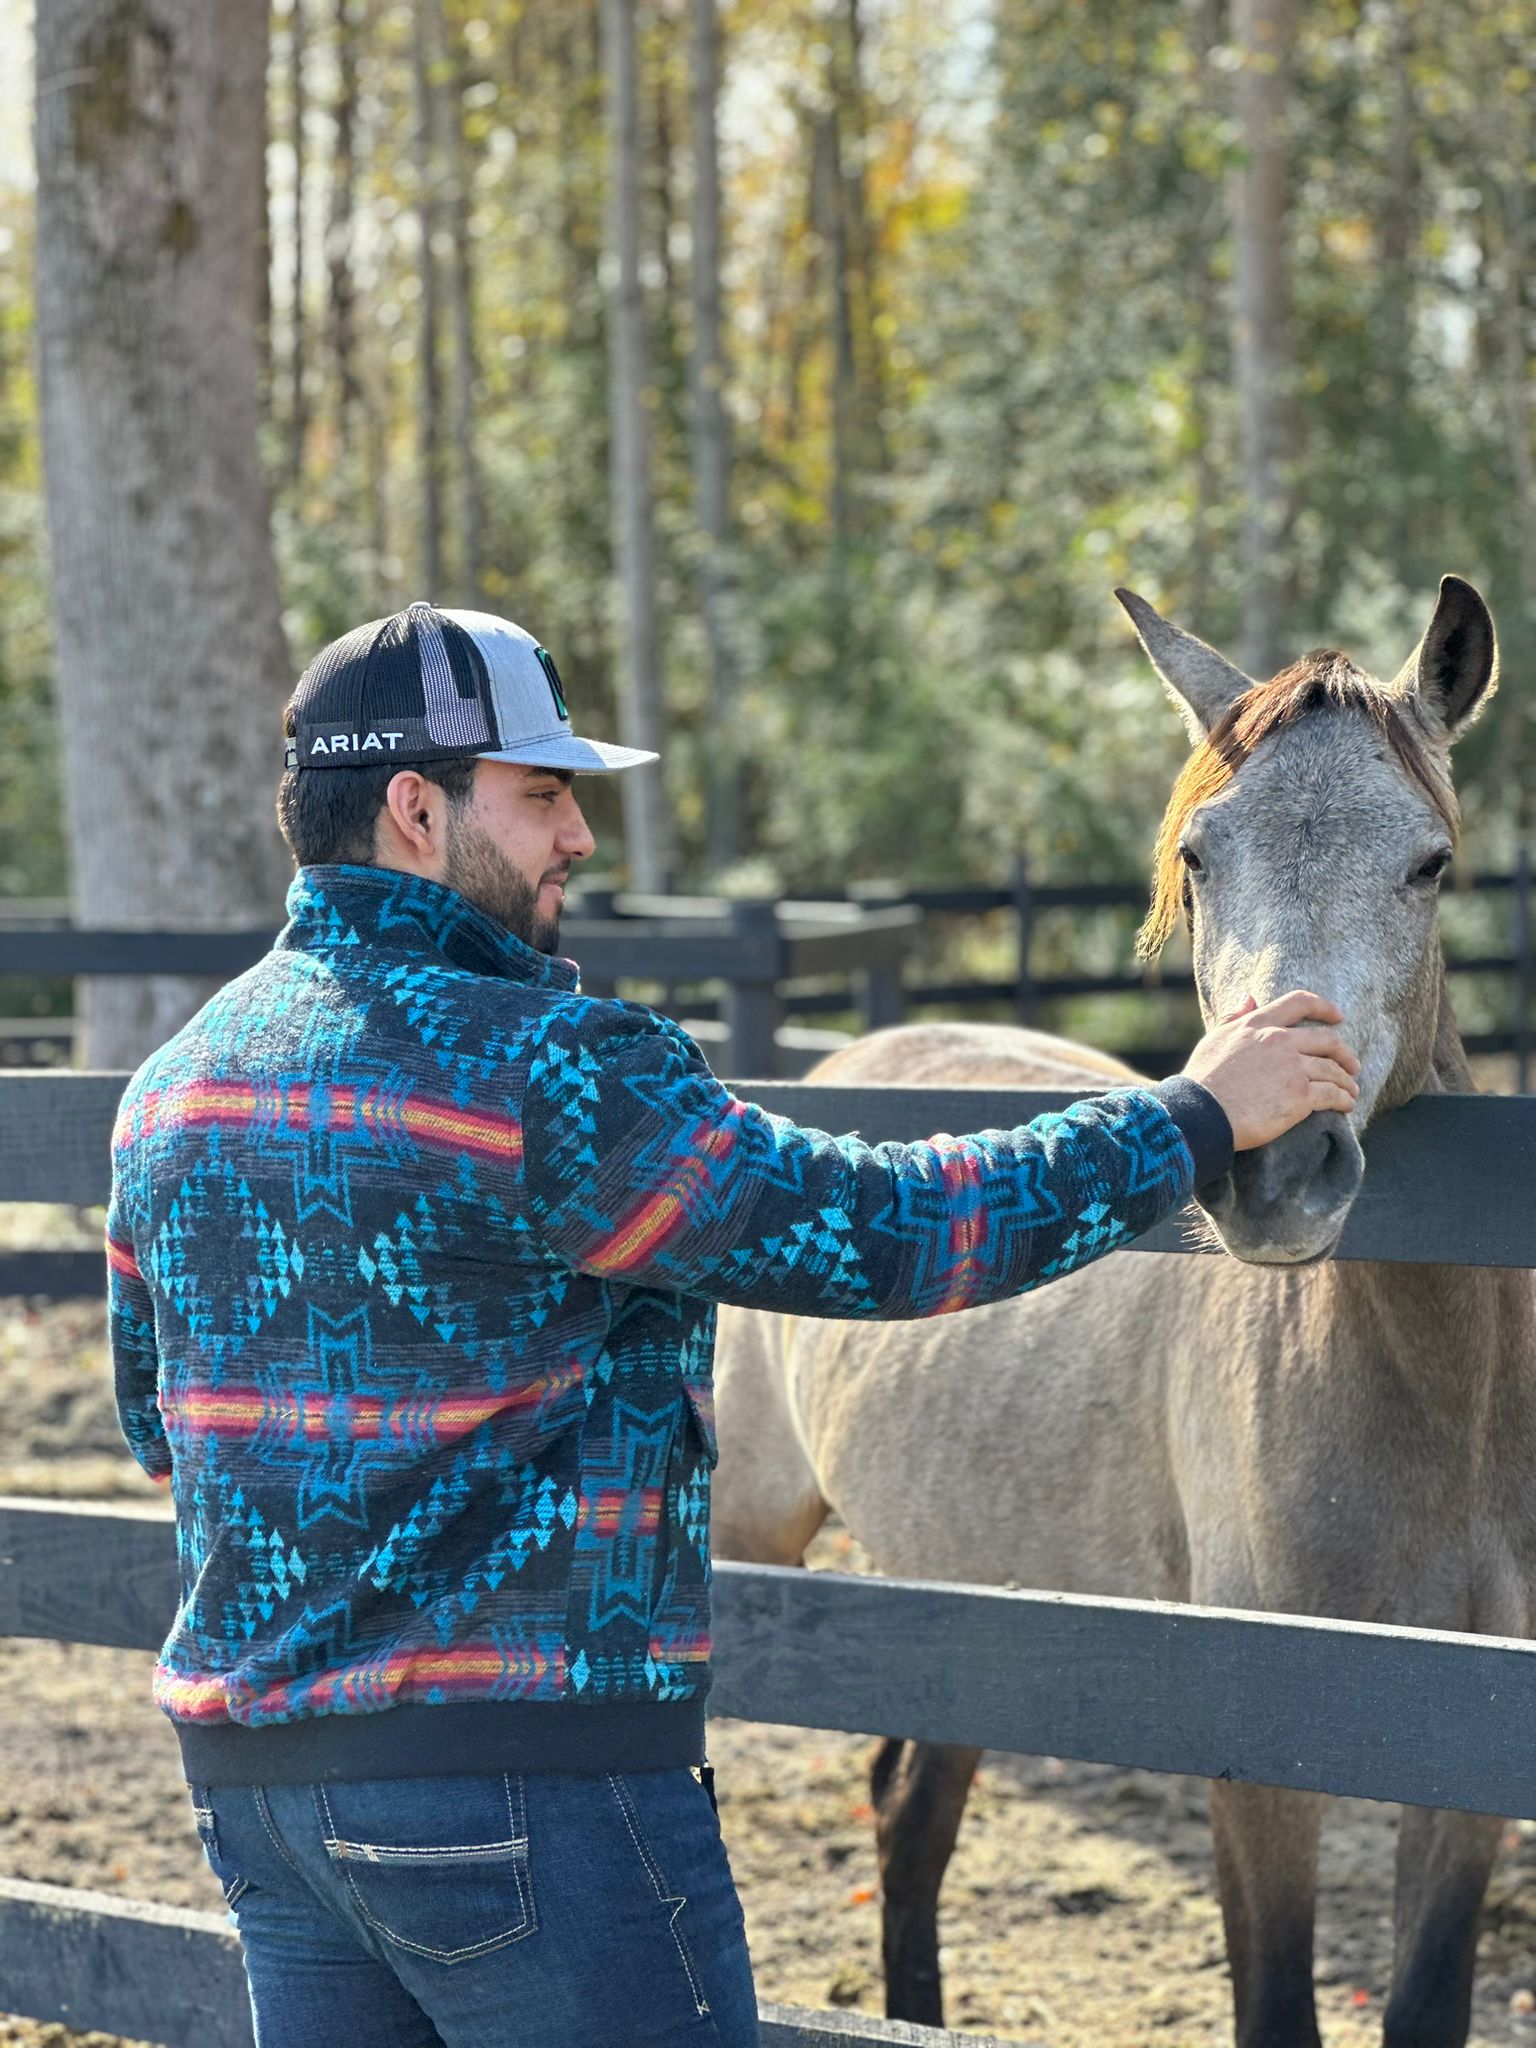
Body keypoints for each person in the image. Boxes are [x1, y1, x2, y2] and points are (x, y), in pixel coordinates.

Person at [107, 600, 1360, 2048]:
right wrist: (1195, 1118)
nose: (577, 837)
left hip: (264, 1803)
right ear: (412, 808)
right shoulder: (553, 1072)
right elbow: (890, 1232)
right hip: (533, 1796)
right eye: (543, 795)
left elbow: (163, 1432)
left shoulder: (177, 1087)